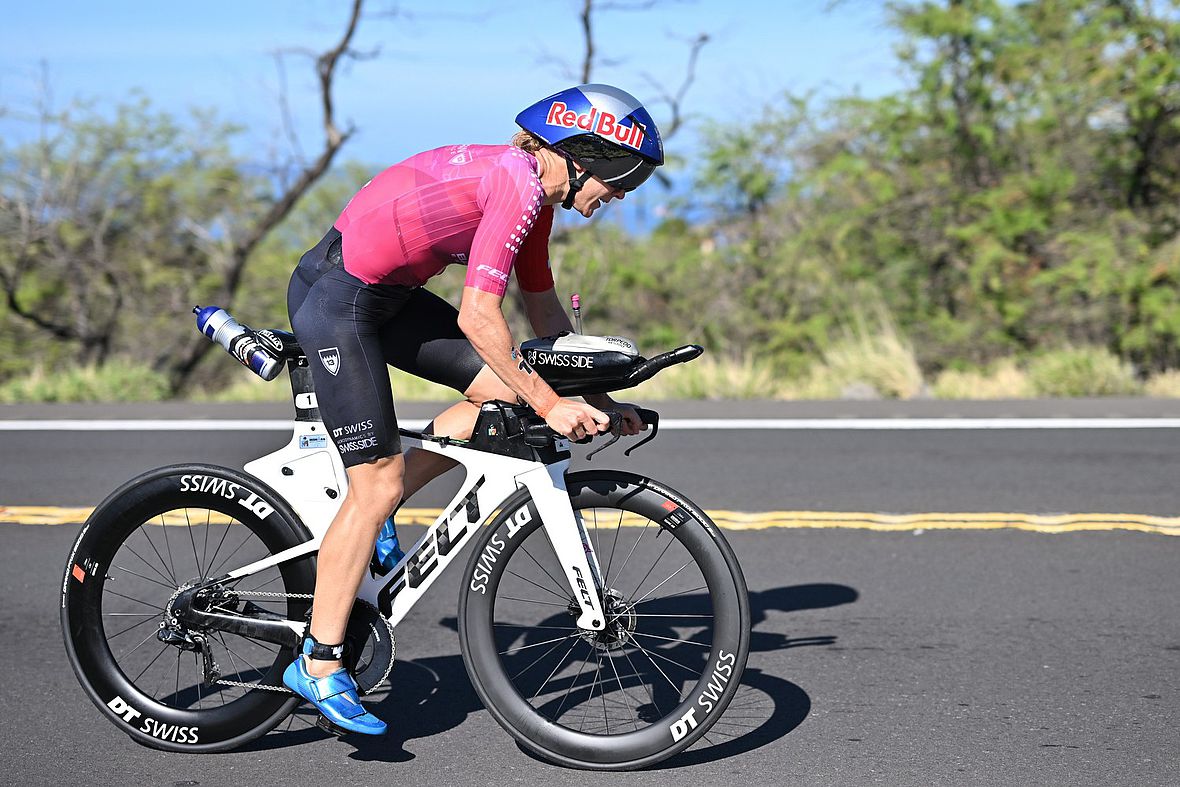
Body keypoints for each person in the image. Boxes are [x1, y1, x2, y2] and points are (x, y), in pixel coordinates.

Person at [281, 84, 664, 735]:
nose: (621, 195)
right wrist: (552, 402)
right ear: (582, 155)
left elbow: (543, 317)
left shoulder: (538, 197)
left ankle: (386, 505)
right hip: (337, 296)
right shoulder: (516, 185)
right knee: (372, 482)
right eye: (620, 179)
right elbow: (478, 315)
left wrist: (594, 396)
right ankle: (317, 662)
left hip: (392, 297)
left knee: (504, 394)